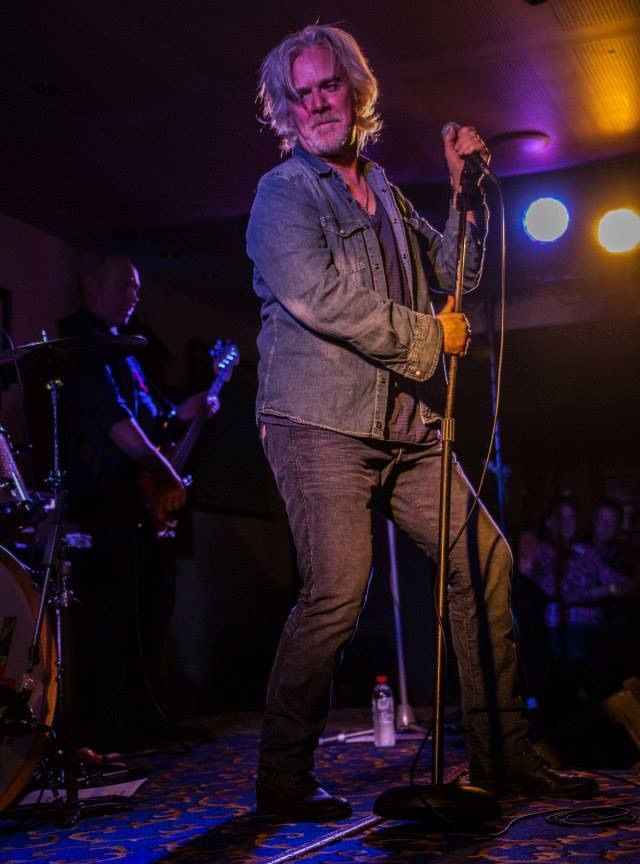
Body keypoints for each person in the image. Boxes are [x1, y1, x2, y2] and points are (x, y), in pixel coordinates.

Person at [246, 24, 597, 820]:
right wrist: (428, 337)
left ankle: (504, 757)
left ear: (355, 90)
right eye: (300, 95)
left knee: (486, 560)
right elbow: (321, 298)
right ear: (286, 109)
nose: (316, 104)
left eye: (327, 86)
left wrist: (462, 193)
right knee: (338, 591)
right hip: (319, 422)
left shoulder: (385, 191)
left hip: (406, 423)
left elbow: (454, 273)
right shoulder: (283, 195)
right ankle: (283, 776)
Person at [58, 252, 217, 754]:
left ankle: (144, 717)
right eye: (125, 285)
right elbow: (118, 426)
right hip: (102, 507)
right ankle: (107, 729)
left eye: (137, 287)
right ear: (91, 286)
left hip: (134, 508)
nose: (135, 295)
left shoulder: (123, 349)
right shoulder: (82, 346)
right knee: (110, 620)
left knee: (149, 612)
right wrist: (165, 472)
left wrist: (189, 408)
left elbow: (153, 419)